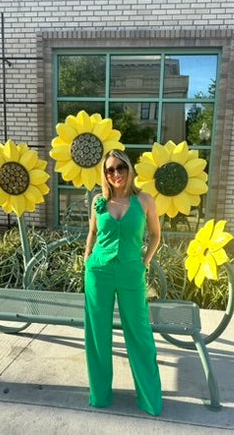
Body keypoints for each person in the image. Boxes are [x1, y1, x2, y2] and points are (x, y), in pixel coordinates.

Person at [83, 149, 162, 416]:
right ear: (104, 174)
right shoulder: (98, 202)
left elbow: (155, 236)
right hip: (99, 273)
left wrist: (144, 262)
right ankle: (100, 395)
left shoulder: (145, 200)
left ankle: (150, 399)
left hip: (131, 273)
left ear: (129, 169)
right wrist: (87, 259)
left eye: (121, 168)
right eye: (110, 170)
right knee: (97, 335)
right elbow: (92, 233)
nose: (116, 173)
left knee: (139, 333)